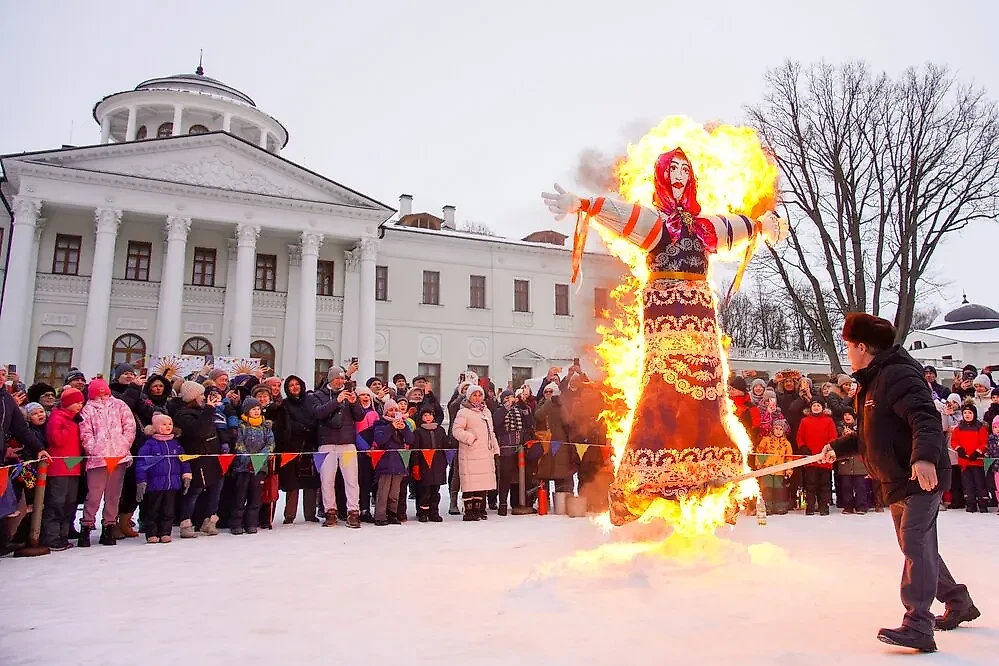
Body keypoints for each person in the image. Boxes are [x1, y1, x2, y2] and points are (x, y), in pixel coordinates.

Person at [820, 313, 977, 652]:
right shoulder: (871, 381)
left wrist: (922, 458)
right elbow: (869, 435)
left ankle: (918, 625)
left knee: (915, 544)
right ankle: (958, 600)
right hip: (895, 479)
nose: (847, 352)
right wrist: (837, 448)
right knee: (918, 547)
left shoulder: (898, 375)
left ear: (862, 346)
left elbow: (925, 418)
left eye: (848, 346)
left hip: (920, 474)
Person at [78, 378, 136, 547]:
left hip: (119, 457)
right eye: (99, 392)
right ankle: (87, 526)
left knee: (114, 495)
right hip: (97, 459)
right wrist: (94, 449)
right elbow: (85, 432)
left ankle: (109, 526)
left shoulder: (119, 405)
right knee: (94, 496)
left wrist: (124, 445)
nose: (102, 395)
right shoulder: (87, 409)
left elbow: (129, 426)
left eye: (104, 391)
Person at [311, 364, 364, 528]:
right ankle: (330, 511)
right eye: (337, 378)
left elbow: (360, 416)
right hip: (327, 444)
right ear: (330, 379)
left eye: (342, 378)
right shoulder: (318, 395)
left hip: (347, 444)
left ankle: (353, 511)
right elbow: (318, 413)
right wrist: (337, 401)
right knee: (327, 480)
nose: (340, 381)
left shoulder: (350, 394)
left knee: (351, 480)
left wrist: (355, 403)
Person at [172, 381, 224, 537]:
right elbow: (199, 431)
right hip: (197, 458)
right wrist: (209, 409)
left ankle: (209, 521)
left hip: (213, 457)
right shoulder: (183, 414)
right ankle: (186, 523)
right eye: (201, 395)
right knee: (194, 491)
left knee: (216, 490)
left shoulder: (204, 411)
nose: (203, 397)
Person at [135, 414, 191, 544]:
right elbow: (141, 463)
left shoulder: (175, 443)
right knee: (153, 510)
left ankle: (165, 532)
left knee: (168, 510)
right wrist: (141, 480)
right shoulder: (149, 444)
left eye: (170, 424)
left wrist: (186, 474)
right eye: (164, 424)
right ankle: (152, 533)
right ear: (155, 427)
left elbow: (183, 460)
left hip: (172, 483)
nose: (168, 427)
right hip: (155, 484)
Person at [41, 388, 85, 550]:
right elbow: (56, 440)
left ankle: (63, 535)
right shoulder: (58, 417)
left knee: (70, 503)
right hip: (59, 467)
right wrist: (69, 425)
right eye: (76, 403)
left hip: (73, 465)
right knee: (56, 503)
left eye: (81, 402)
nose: (80, 406)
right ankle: (51, 537)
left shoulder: (74, 419)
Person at [274, 375, 320, 524]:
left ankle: (310, 513)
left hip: (310, 443)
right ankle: (289, 515)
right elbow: (286, 424)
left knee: (311, 481)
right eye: (291, 385)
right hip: (292, 445)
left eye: (297, 384)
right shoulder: (285, 404)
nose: (295, 387)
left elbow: (315, 417)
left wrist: (309, 428)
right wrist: (300, 428)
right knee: (292, 482)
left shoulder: (310, 400)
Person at [451, 384, 499, 521]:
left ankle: (479, 509)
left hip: (485, 451)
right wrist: (470, 438)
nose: (477, 398)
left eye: (479, 395)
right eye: (474, 395)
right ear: (469, 396)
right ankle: (469, 511)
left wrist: (495, 447)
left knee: (482, 482)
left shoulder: (486, 412)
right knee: (470, 482)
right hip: (470, 452)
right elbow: (457, 430)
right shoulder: (463, 412)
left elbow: (491, 432)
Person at [230, 398, 275, 535]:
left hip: (260, 465)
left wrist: (260, 457)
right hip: (243, 466)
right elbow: (239, 444)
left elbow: (270, 444)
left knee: (255, 497)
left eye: (258, 409)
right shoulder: (241, 426)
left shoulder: (265, 427)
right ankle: (237, 523)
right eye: (253, 409)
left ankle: (251, 523)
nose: (256, 411)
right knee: (240, 496)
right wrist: (247, 457)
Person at [371, 399, 414, 525]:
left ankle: (392, 514)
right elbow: (380, 440)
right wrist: (391, 427)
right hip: (385, 461)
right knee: (383, 492)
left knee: (395, 492)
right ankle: (380, 516)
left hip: (399, 461)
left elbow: (411, 439)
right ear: (386, 411)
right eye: (391, 410)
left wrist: (405, 428)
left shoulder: (404, 424)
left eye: (396, 410)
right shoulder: (380, 424)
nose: (394, 412)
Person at [796, 399, 837, 515]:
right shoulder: (804, 421)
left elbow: (833, 436)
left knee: (824, 484)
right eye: (814, 405)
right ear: (810, 408)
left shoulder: (829, 421)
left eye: (818, 405)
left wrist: (829, 448)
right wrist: (802, 446)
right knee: (810, 484)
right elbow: (800, 436)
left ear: (823, 407)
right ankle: (810, 506)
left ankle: (824, 506)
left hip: (825, 458)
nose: (816, 407)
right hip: (810, 459)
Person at [950, 404, 989, 513]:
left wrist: (977, 452)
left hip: (976, 461)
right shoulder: (959, 428)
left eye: (970, 413)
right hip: (964, 461)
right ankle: (970, 503)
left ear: (974, 414)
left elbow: (984, 442)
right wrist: (959, 449)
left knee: (980, 483)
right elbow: (954, 441)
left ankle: (983, 503)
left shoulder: (979, 427)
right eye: (965, 413)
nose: (967, 415)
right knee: (967, 484)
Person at [412, 404, 448, 522]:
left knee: (435, 491)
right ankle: (423, 512)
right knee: (425, 491)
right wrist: (416, 465)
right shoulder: (418, 431)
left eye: (430, 415)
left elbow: (445, 447)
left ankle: (434, 512)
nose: (427, 417)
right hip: (424, 466)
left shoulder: (440, 430)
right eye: (425, 415)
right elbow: (415, 451)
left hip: (437, 465)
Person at [756, 419, 792, 515]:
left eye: (781, 429)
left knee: (779, 490)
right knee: (767, 489)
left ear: (783, 431)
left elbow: (789, 458)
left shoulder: (787, 444)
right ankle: (768, 507)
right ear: (773, 429)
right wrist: (759, 464)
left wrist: (789, 469)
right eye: (776, 428)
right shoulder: (766, 440)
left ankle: (780, 507)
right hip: (767, 470)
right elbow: (759, 452)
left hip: (780, 471)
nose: (778, 431)